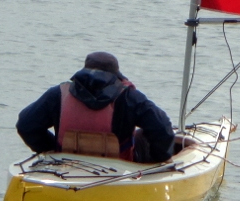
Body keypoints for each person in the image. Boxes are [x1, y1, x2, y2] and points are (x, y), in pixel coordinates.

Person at [16, 51, 175, 164]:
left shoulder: (58, 94)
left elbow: (26, 125)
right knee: (144, 135)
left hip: (65, 166)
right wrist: (158, 159)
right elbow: (162, 128)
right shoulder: (129, 97)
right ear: (115, 76)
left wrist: (51, 150)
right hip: (119, 169)